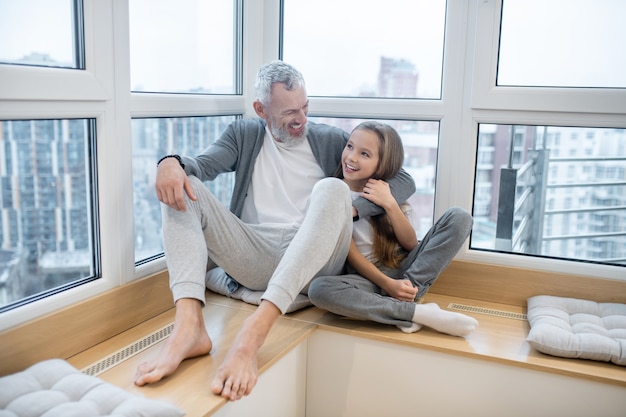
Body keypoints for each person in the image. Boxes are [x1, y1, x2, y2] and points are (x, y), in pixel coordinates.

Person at [134, 61, 416, 401]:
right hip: (255, 252)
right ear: (261, 109)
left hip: (314, 259)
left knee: (332, 189)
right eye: (288, 112)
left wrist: (354, 208)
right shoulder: (244, 135)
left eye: (305, 107)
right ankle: (189, 327)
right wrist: (168, 163)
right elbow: (202, 165)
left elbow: (403, 179)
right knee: (181, 184)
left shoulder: (331, 140)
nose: (300, 119)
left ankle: (253, 334)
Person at [308, 121, 478, 336]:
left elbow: (409, 243)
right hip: (367, 277)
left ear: (382, 164)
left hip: (405, 268)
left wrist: (389, 203)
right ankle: (415, 310)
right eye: (349, 146)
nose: (351, 157)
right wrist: (388, 285)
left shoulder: (386, 190)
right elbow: (350, 253)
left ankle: (407, 292)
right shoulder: (332, 192)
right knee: (319, 289)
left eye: (365, 154)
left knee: (460, 217)